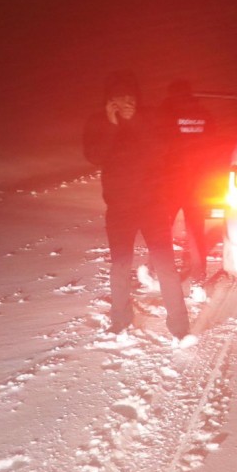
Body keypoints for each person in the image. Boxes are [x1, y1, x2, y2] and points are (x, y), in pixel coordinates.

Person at [82, 70, 190, 339]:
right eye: (117, 98)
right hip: (119, 209)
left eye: (129, 96)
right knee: (120, 265)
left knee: (165, 264)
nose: (124, 102)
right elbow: (95, 156)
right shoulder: (98, 122)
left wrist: (136, 121)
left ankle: (179, 326)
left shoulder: (151, 117)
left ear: (136, 98)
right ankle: (120, 321)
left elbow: (163, 149)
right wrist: (111, 124)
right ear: (108, 100)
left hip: (152, 205)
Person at [156, 80, 220, 284]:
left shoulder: (164, 114)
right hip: (197, 182)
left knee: (161, 228)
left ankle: (159, 270)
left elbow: (155, 146)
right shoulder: (203, 114)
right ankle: (198, 272)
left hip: (171, 181)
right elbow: (213, 147)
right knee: (196, 230)